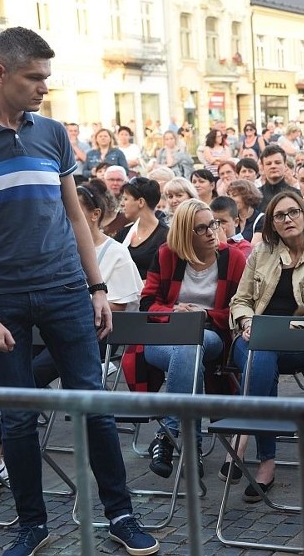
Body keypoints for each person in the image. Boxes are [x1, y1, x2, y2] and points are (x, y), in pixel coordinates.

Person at [0, 26, 159, 555]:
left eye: (47, 76)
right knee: (17, 419)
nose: (45, 86)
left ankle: (121, 514)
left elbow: (76, 216)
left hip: (67, 288)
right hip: (3, 300)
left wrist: (97, 287)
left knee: (94, 406)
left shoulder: (52, 134)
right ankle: (30, 525)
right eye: (34, 77)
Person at [225, 191, 304, 500]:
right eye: (279, 215)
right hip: (252, 339)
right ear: (272, 223)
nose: (287, 219)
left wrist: (276, 331)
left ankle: (242, 438)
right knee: (261, 353)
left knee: (264, 351)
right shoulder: (261, 253)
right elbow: (241, 301)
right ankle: (266, 462)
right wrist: (247, 322)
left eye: (293, 212)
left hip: (300, 343)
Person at [126, 199, 245, 480]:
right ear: (184, 233)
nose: (211, 232)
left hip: (211, 335)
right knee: (189, 354)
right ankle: (192, 451)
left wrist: (203, 315)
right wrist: (173, 312)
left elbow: (237, 309)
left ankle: (167, 435)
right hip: (164, 336)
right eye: (201, 228)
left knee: (192, 345)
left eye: (213, 224)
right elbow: (147, 303)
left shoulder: (233, 258)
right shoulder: (167, 255)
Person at [33, 179, 144, 389]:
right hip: (53, 326)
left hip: (97, 331)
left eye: (73, 211)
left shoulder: (116, 252)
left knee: (35, 373)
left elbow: (119, 307)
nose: (65, 218)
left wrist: (73, 304)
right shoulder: (57, 249)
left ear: (95, 214)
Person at [114, 177, 168, 280]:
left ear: (141, 202)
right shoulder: (123, 234)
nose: (122, 204)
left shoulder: (166, 237)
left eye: (126, 199)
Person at [226, 179, 265, 243]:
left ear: (247, 196)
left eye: (234, 195)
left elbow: (253, 248)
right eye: (229, 195)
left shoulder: (261, 219)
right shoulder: (231, 220)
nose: (230, 199)